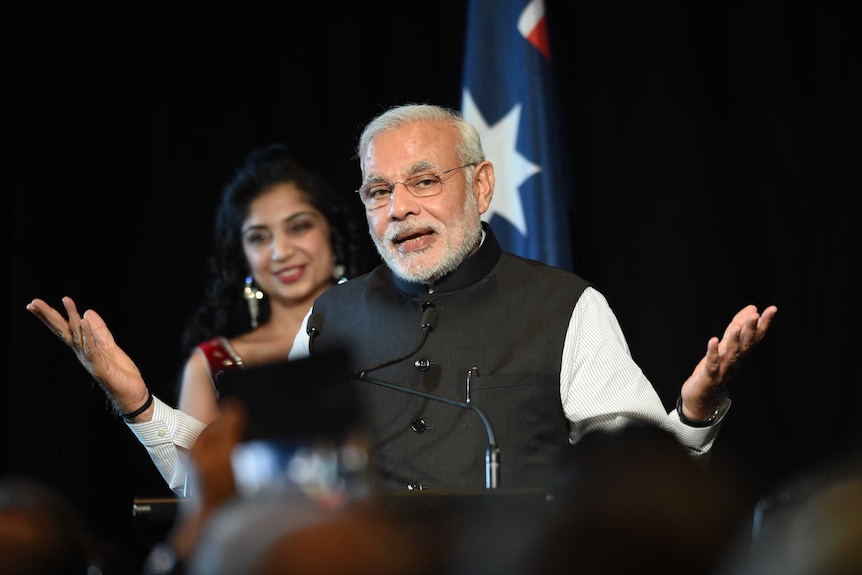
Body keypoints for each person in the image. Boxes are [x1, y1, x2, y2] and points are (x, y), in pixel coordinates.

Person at [26, 103, 778, 495]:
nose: (399, 208)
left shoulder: (568, 306)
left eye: (425, 180)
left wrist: (697, 414)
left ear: (481, 186)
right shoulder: (330, 318)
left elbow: (648, 498)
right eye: (379, 191)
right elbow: (252, 483)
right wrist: (140, 408)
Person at [174, 143, 367, 428]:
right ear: (243, 257)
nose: (281, 252)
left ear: (333, 233)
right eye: (259, 238)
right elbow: (193, 473)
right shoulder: (211, 365)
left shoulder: (391, 326)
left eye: (299, 227)